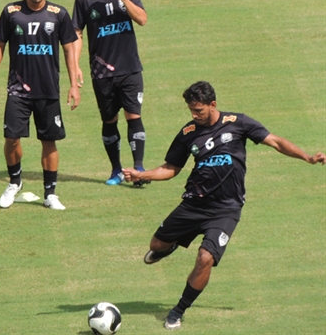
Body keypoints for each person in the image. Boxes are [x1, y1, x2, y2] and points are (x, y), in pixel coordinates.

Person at [122, 81, 325, 330]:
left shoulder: (238, 123)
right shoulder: (188, 133)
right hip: (193, 204)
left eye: (198, 110)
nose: (194, 115)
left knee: (205, 257)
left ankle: (178, 310)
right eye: (191, 111)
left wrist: (307, 157)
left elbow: (275, 141)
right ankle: (171, 245)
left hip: (226, 209)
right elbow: (171, 168)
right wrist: (141, 175)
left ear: (213, 104)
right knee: (156, 245)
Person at [0, 0, 80, 210]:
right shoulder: (11, 12)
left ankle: (50, 194)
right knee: (11, 138)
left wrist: (73, 85)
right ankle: (15, 182)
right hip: (18, 90)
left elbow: (69, 49)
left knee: (49, 141)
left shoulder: (58, 14)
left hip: (48, 91)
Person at [72, 0, 148, 186]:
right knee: (109, 120)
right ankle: (116, 170)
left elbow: (142, 19)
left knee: (133, 115)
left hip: (130, 68)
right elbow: (77, 33)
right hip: (101, 70)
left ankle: (138, 169)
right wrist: (74, 66)